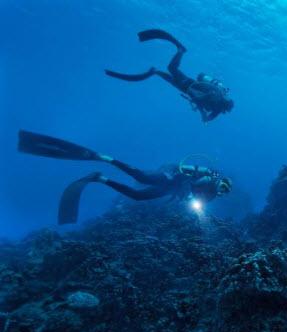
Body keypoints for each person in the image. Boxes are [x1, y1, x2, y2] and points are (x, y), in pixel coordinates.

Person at [18, 130, 232, 224]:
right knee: (141, 176)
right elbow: (192, 186)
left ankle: (101, 178)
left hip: (170, 190)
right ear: (221, 181)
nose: (221, 190)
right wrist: (191, 195)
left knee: (137, 196)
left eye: (225, 191)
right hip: (171, 178)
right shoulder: (209, 179)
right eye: (223, 186)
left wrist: (193, 204)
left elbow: (194, 201)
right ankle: (108, 159)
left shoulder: (212, 196)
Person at [105, 29, 234, 123]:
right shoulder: (216, 100)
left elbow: (205, 116)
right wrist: (201, 109)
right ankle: (180, 51)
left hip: (186, 88)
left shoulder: (217, 107)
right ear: (224, 106)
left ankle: (155, 71)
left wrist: (201, 112)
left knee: (169, 77)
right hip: (188, 85)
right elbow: (204, 105)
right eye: (225, 109)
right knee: (171, 69)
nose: (223, 110)